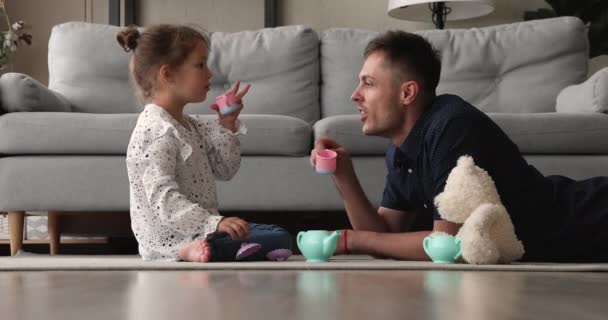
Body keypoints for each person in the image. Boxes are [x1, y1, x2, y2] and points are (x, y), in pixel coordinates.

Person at [311, 30, 608, 262]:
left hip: (592, 220)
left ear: (407, 93)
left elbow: (448, 244)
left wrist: (350, 240)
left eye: (369, 83)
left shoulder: (451, 125)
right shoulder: (402, 148)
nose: (355, 95)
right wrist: (344, 175)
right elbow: (385, 235)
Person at [118, 24, 291, 262]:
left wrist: (228, 125)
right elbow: (163, 201)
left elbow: (225, 169)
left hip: (202, 229)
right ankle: (183, 251)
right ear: (168, 75)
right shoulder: (157, 131)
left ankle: (209, 248)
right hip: (171, 236)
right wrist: (215, 222)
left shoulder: (191, 126)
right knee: (277, 240)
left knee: (278, 234)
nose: (209, 74)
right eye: (200, 65)